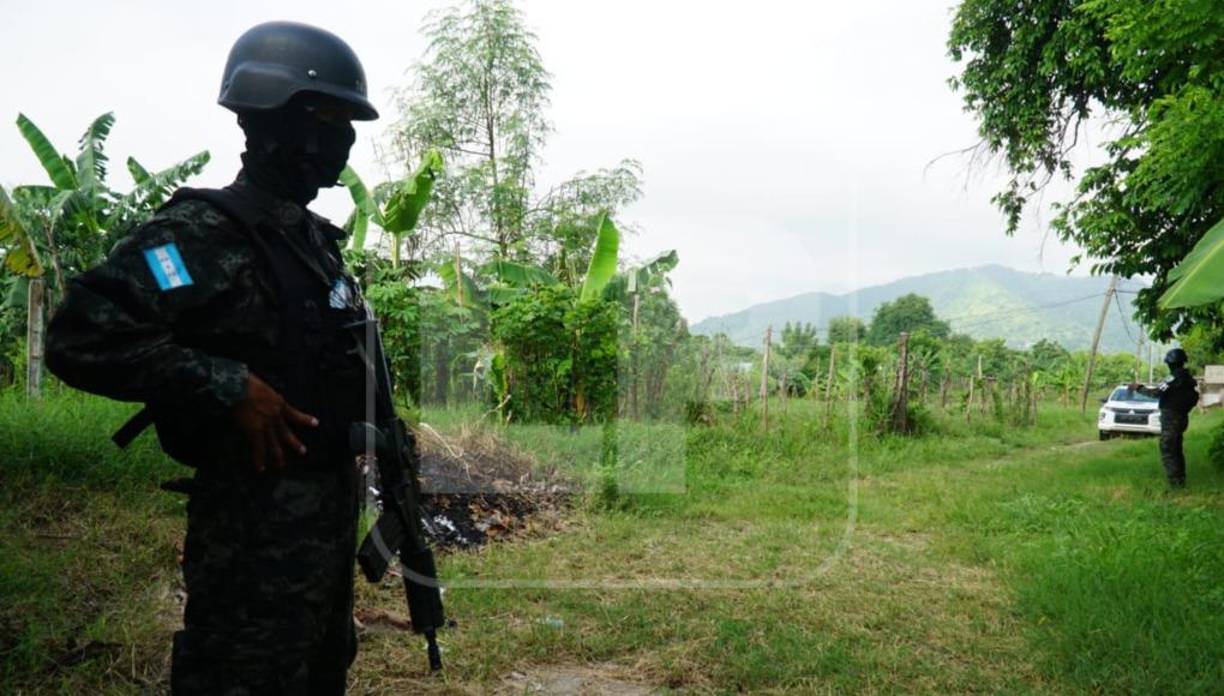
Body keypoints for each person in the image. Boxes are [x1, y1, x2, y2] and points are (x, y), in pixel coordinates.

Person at [45, 21, 379, 694]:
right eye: (326, 121)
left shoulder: (316, 244)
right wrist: (226, 385)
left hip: (322, 541)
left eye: (347, 126)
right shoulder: (194, 239)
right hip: (251, 546)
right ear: (276, 123)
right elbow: (80, 334)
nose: (337, 145)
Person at [1131, 348, 1199, 488]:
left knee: (1168, 449)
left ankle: (1175, 484)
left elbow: (1156, 392)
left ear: (1170, 364)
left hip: (1171, 418)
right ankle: (1181, 481)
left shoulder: (1172, 378)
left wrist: (1138, 388)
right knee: (1177, 449)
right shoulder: (1189, 379)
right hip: (1182, 417)